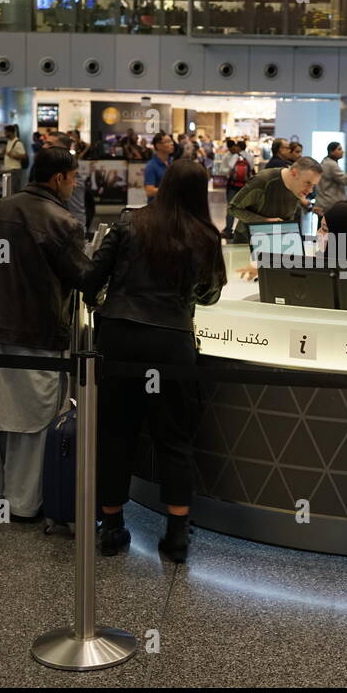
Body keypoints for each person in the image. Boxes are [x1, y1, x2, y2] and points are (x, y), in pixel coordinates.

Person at [88, 159, 227, 562]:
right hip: (171, 342)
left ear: (163, 185)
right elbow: (210, 295)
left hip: (119, 338)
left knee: (116, 433)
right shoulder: (205, 235)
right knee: (174, 438)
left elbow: (94, 276)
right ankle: (177, 536)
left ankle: (112, 528)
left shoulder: (129, 222)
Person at [0, 146, 85, 523]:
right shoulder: (61, 221)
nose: (75, 183)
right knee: (32, 422)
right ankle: (22, 504)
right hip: (35, 333)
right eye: (73, 177)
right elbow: (83, 276)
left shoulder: (0, 209)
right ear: (58, 178)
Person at [228, 158, 323, 243]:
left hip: (274, 242)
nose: (310, 190)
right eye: (308, 183)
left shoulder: (297, 188)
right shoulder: (264, 180)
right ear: (294, 173)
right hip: (247, 240)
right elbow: (233, 208)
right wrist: (264, 221)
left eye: (313, 185)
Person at [314, 141, 347, 215]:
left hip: (324, 203)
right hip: (330, 204)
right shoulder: (331, 164)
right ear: (331, 152)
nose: (342, 151)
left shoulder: (325, 161)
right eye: (339, 149)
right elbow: (345, 180)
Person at [222, 138, 254, 237]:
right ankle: (243, 231)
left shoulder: (235, 156)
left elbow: (230, 169)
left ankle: (228, 230)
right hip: (245, 186)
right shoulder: (250, 156)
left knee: (231, 207)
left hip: (233, 185)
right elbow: (252, 169)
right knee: (245, 208)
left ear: (238, 147)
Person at [143, 132, 174, 204]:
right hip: (156, 209)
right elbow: (149, 191)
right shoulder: (151, 166)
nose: (171, 144)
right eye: (168, 142)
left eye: (171, 141)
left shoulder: (172, 163)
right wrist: (171, 190)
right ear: (158, 145)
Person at [2, 124, 28, 193]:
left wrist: (10, 154)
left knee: (14, 190)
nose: (5, 134)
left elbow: (24, 156)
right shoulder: (9, 141)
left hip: (14, 170)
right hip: (8, 169)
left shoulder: (18, 143)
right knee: (9, 190)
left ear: (10, 132)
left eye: (6, 132)